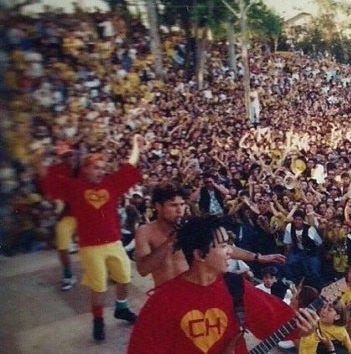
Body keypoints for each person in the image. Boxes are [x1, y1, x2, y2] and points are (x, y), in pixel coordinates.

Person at [127, 215, 319, 353]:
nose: (229, 252)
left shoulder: (235, 286)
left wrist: (304, 328)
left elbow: (276, 320)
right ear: (199, 255)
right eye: (223, 246)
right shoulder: (163, 300)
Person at [45, 135, 145, 341]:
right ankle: (98, 321)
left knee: (125, 277)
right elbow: (50, 183)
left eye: (103, 167)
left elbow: (130, 165)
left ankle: (122, 308)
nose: (101, 171)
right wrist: (44, 158)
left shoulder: (111, 184)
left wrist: (136, 145)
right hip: (90, 247)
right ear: (86, 169)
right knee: (98, 285)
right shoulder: (74, 188)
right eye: (97, 167)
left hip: (114, 242)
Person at [135, 182, 286, 287]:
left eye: (182, 204)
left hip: (193, 291)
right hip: (165, 295)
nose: (180, 209)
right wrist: (171, 241)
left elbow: (220, 247)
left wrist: (258, 257)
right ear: (158, 207)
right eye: (173, 205)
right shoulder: (146, 232)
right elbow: (143, 270)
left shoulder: (191, 226)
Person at [38, 142, 80, 291]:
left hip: (84, 213)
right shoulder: (56, 171)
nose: (70, 158)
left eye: (71, 154)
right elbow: (44, 177)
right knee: (62, 246)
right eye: (66, 156)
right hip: (66, 215)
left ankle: (111, 270)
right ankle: (68, 275)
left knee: (101, 241)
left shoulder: (81, 169)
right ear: (61, 158)